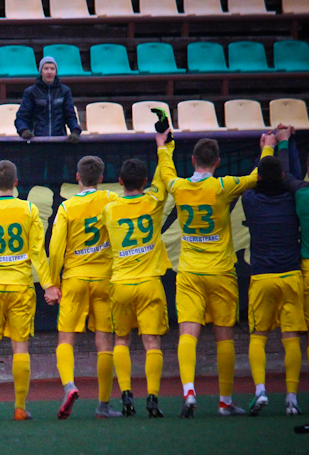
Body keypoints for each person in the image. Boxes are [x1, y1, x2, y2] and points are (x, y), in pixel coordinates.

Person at [157, 129, 258, 418]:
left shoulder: (178, 186)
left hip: (189, 271)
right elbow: (256, 177)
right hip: (221, 272)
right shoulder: (223, 186)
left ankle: (189, 391)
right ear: (217, 162)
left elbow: (166, 173)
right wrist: (268, 147)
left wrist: (163, 146)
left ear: (192, 160)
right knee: (224, 336)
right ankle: (225, 401)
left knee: (188, 333)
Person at [0, 160, 59, 421]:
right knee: (20, 347)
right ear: (16, 183)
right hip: (21, 287)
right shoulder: (29, 210)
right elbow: (38, 252)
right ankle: (19, 407)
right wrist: (49, 285)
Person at [47, 156, 120, 419]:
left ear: (77, 177)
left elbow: (56, 248)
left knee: (66, 338)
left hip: (75, 278)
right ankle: (103, 405)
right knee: (104, 340)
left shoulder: (67, 207)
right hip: (104, 278)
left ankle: (69, 385)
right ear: (101, 178)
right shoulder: (112, 199)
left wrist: (53, 283)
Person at [102, 153, 171, 418]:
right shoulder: (153, 202)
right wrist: (165, 147)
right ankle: (152, 397)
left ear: (120, 181)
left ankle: (126, 395)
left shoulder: (110, 209)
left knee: (121, 339)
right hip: (149, 283)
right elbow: (163, 180)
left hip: (121, 283)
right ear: (145, 181)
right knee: (152, 342)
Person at [243, 126, 304, 416]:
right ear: (282, 176)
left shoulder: (250, 200)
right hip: (291, 275)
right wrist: (285, 143)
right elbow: (292, 176)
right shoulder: (293, 198)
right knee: (290, 338)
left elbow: (257, 178)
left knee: (258, 336)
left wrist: (266, 147)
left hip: (262, 277)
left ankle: (260, 391)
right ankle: (292, 397)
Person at [14, 56, 81, 141]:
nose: (49, 72)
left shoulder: (65, 91)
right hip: (36, 140)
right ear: (41, 71)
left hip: (59, 139)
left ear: (56, 72)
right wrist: (23, 130)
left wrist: (75, 131)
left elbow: (70, 116)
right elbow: (21, 117)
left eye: (52, 69)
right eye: (46, 68)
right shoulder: (30, 92)